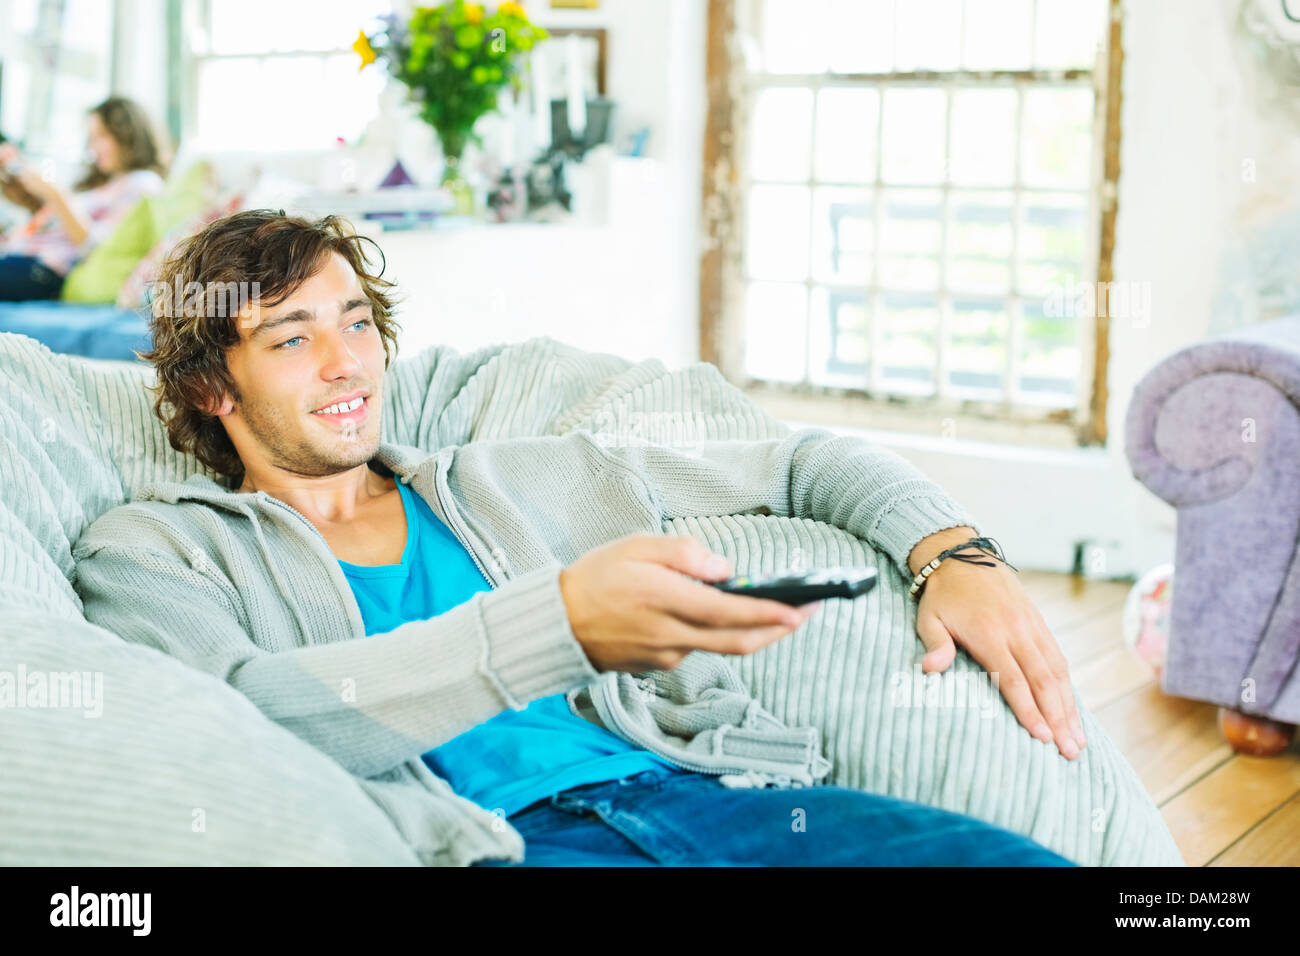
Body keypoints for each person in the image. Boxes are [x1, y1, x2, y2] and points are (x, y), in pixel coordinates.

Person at [70, 209, 1087, 867]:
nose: (346, 363)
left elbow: (794, 457)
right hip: (487, 847)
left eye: (357, 323)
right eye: (292, 337)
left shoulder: (515, 476)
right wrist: (550, 626)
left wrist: (955, 553)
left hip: (713, 803)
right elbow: (241, 716)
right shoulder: (154, 549)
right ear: (213, 386)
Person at [0, 96, 167, 301]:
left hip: (42, 269)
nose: (92, 148)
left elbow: (95, 247)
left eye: (101, 136)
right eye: (91, 139)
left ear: (128, 135)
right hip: (19, 255)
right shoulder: (102, 184)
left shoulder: (143, 183)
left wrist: (57, 196)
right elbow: (52, 222)